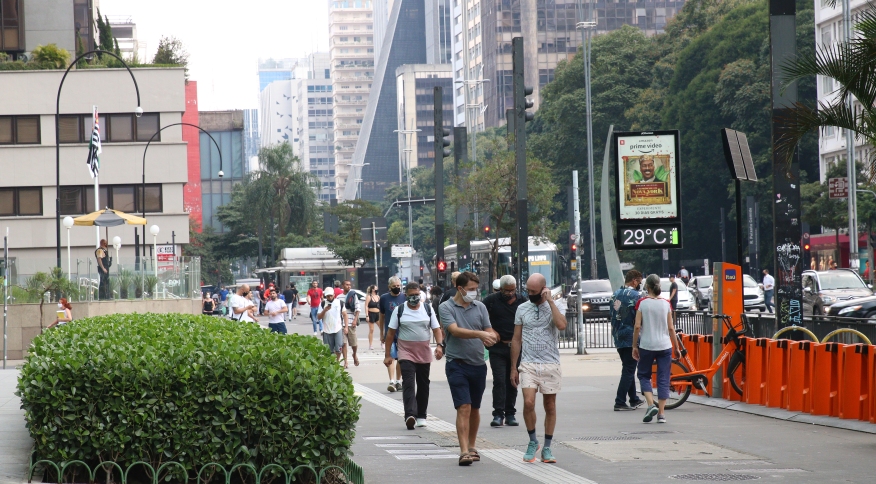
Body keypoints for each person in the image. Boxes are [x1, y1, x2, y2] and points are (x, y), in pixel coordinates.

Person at [439, 271, 498, 466]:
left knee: (474, 407)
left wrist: (491, 336)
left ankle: (472, 446)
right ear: (460, 289)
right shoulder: (446, 307)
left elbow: (489, 329)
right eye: (471, 290)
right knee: (463, 406)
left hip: (478, 364)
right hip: (457, 364)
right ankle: (463, 450)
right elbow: (454, 331)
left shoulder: (480, 307)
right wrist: (480, 334)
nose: (474, 293)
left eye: (476, 289)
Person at [510, 272, 567, 464]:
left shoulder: (555, 306)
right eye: (527, 290)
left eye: (534, 291)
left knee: (550, 405)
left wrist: (550, 302)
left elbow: (561, 325)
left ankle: (548, 447)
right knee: (528, 403)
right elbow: (516, 339)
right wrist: (513, 367)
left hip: (550, 363)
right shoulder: (522, 309)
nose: (530, 294)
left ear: (543, 289)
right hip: (528, 363)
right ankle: (533, 441)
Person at [385, 282, 444, 429]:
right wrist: (388, 355)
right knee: (409, 383)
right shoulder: (399, 310)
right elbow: (390, 334)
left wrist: (439, 345)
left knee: (424, 384)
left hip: (424, 352)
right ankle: (410, 415)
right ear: (406, 295)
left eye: (416, 295)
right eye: (411, 295)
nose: (414, 298)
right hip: (406, 352)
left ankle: (422, 415)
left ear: (420, 294)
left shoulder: (427, 308)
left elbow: (436, 329)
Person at [633, 274, 679, 424]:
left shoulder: (642, 303)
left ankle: (650, 404)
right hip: (665, 346)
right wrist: (677, 347)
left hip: (647, 345)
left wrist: (634, 346)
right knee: (663, 378)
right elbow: (671, 328)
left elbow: (637, 326)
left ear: (647, 287)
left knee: (644, 375)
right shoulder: (666, 304)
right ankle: (661, 414)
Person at [482, 274, 525, 427]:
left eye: (512, 290)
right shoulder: (491, 301)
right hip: (497, 348)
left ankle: (510, 413)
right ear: (500, 289)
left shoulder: (522, 301)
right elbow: (479, 317)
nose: (510, 293)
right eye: (506, 291)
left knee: (513, 380)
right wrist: (491, 331)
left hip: (516, 348)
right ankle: (498, 414)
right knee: (499, 380)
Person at [609, 270, 646, 411]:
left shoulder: (615, 294)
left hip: (618, 336)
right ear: (635, 281)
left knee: (627, 368)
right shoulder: (637, 297)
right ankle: (619, 401)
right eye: (640, 282)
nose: (640, 285)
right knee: (629, 370)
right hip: (631, 337)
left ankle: (634, 399)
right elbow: (640, 319)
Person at [379, 277, 406, 392]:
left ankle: (398, 381)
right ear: (389, 287)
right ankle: (391, 381)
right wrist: (381, 333)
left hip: (403, 333)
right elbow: (381, 317)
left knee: (400, 358)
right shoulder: (384, 298)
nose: (397, 288)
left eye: (398, 286)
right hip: (390, 333)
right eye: (394, 286)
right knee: (389, 356)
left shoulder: (405, 297)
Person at [319, 291, 344, 362]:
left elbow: (344, 314)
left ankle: (337, 361)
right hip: (327, 329)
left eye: (331, 295)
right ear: (325, 296)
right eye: (328, 296)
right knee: (329, 350)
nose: (329, 297)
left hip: (338, 328)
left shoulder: (340, 303)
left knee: (338, 348)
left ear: (334, 295)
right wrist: (325, 310)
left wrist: (346, 327)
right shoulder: (322, 303)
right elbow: (318, 317)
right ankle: (331, 362)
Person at [341, 280, 360, 368]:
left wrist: (355, 320)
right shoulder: (338, 297)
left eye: (349, 285)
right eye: (346, 285)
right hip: (342, 324)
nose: (348, 286)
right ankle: (345, 362)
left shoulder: (353, 295)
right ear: (343, 286)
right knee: (343, 343)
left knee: (354, 344)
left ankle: (354, 354)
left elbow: (358, 308)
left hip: (352, 322)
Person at [366, 285, 382, 350]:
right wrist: (367, 315)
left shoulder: (378, 297)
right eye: (376, 288)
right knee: (371, 330)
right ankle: (370, 344)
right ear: (372, 289)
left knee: (381, 328)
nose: (377, 289)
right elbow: (366, 306)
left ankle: (382, 342)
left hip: (378, 314)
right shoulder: (369, 297)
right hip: (371, 314)